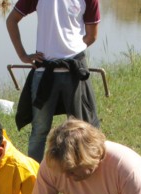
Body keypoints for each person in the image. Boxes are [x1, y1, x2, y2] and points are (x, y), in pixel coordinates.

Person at [6, 0, 101, 163]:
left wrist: (71, 49)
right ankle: (34, 177)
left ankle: (82, 175)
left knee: (82, 129)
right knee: (39, 130)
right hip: (44, 72)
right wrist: (23, 55)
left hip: (74, 72)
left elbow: (92, 35)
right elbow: (11, 20)